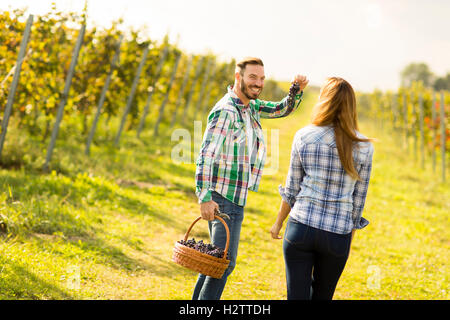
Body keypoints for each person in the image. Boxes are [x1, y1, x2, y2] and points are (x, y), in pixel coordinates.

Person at [193, 57, 309, 300]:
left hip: (232, 196)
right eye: (252, 77)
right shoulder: (226, 111)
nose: (258, 83)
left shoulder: (249, 107)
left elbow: (280, 109)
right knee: (224, 264)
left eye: (262, 78)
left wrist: (295, 91)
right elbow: (206, 155)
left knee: (214, 262)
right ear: (238, 77)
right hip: (224, 198)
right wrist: (204, 197)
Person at [270, 77, 374, 300]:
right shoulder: (364, 146)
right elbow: (358, 201)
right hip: (337, 234)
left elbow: (292, 188)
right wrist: (347, 237)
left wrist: (279, 223)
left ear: (323, 100)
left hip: (301, 228)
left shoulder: (304, 136)